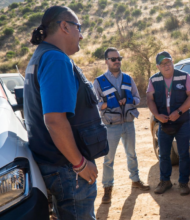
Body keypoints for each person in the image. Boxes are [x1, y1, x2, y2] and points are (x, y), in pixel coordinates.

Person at [24, 6, 109, 220]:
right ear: (64, 26)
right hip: (68, 169)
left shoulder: (41, 56)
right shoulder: (56, 59)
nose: (81, 35)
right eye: (78, 28)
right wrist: (79, 164)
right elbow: (54, 121)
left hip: (57, 165)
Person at [93, 47, 150, 204]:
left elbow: (138, 99)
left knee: (131, 154)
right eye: (113, 59)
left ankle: (135, 180)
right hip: (111, 126)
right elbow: (95, 104)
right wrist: (107, 103)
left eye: (119, 58)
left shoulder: (128, 79)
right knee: (108, 159)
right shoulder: (99, 81)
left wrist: (130, 100)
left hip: (129, 123)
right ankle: (107, 188)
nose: (117, 61)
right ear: (106, 61)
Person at [146, 51, 190, 195]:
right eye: (163, 64)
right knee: (163, 154)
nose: (167, 65)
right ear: (158, 66)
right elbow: (149, 98)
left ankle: (183, 183)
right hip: (164, 123)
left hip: (182, 122)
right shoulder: (153, 80)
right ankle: (165, 181)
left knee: (183, 154)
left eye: (168, 62)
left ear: (172, 62)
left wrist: (179, 112)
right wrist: (157, 115)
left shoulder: (184, 76)